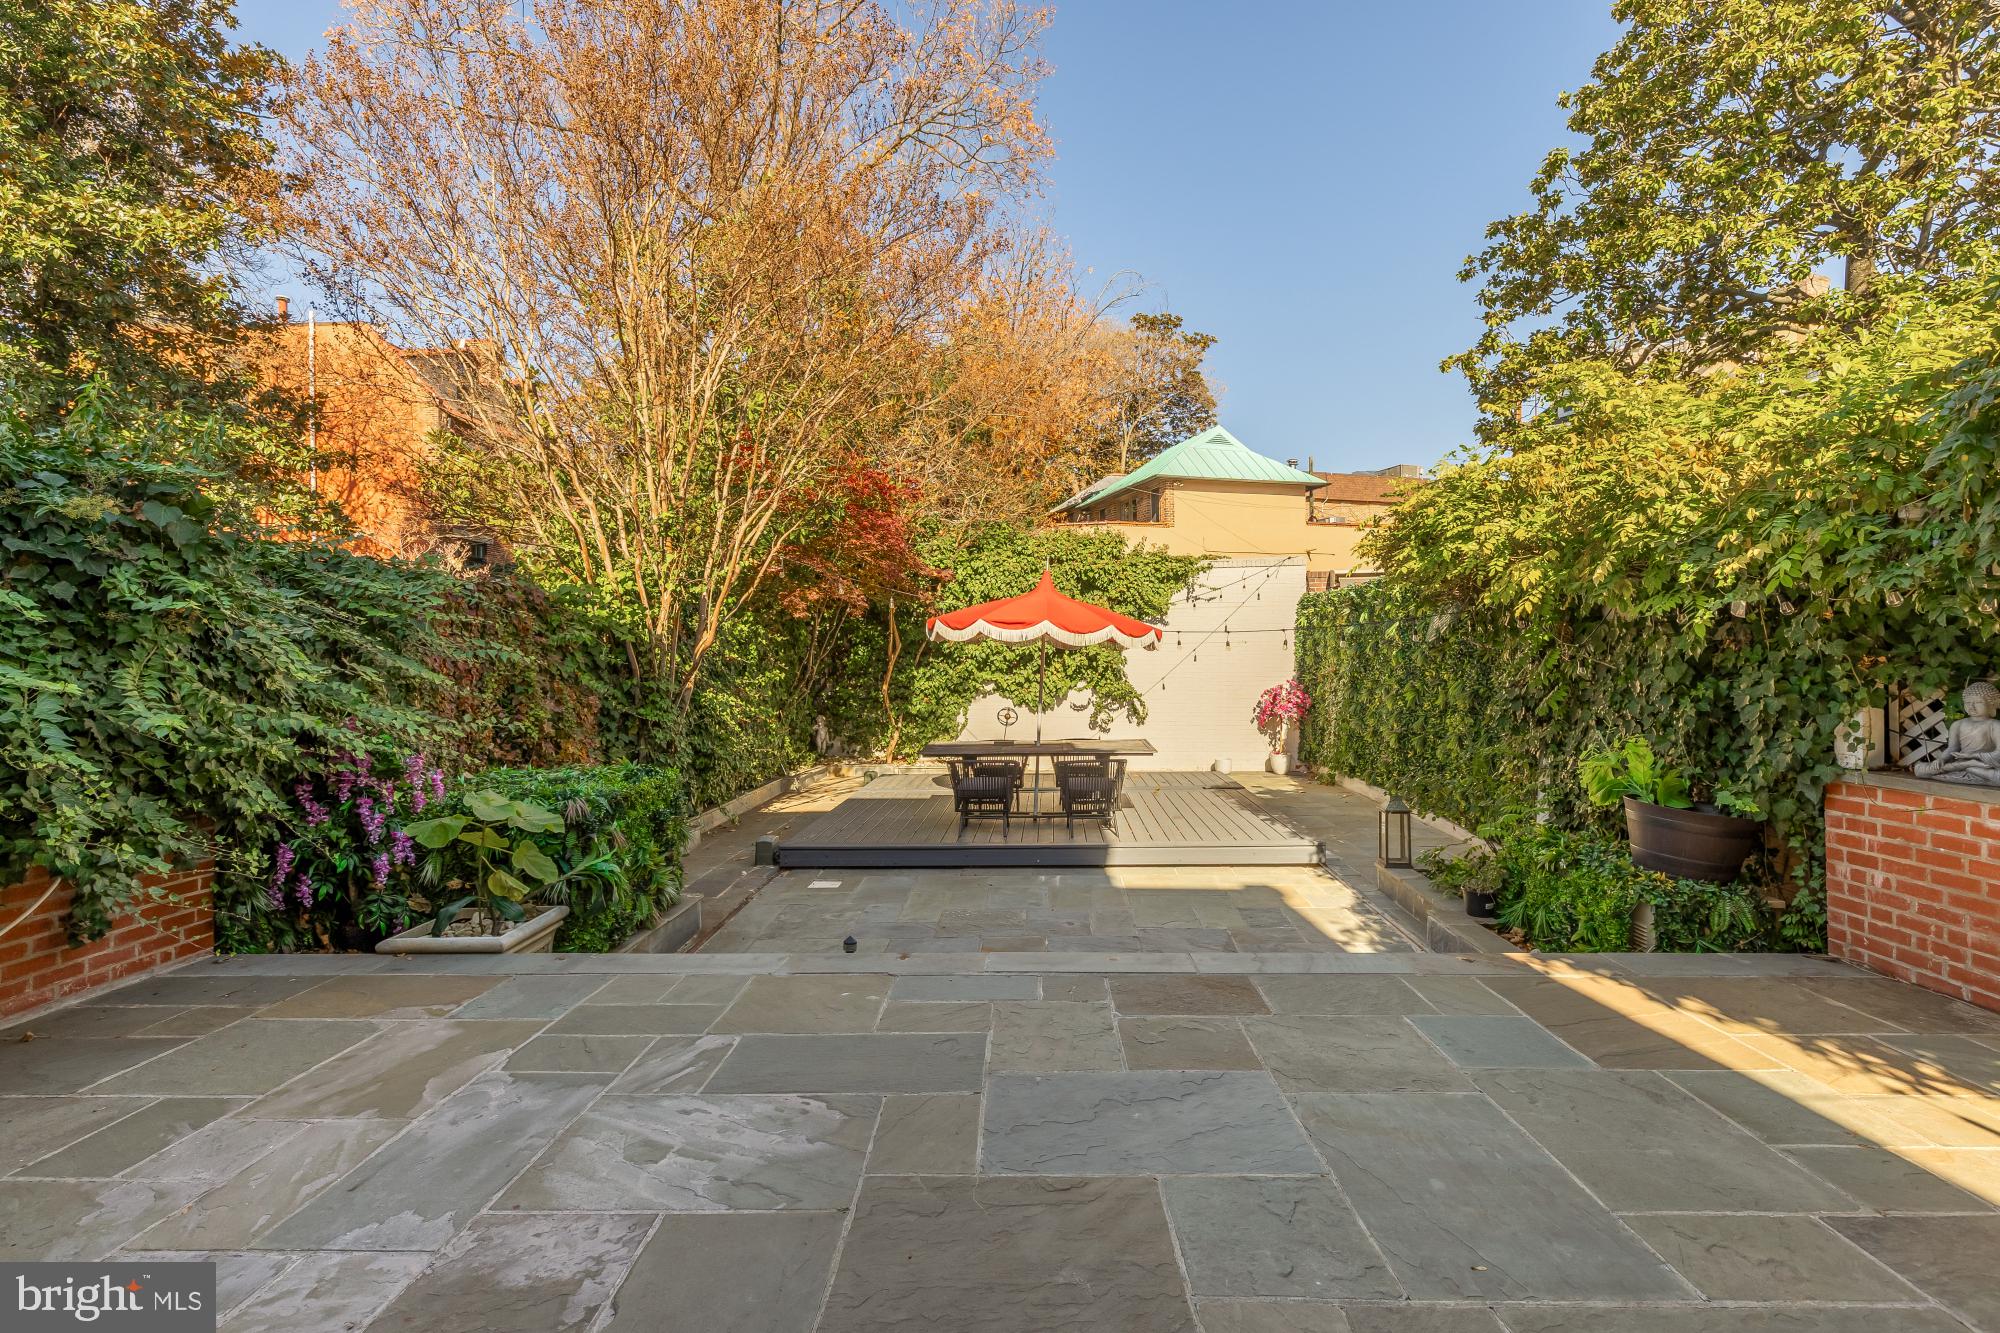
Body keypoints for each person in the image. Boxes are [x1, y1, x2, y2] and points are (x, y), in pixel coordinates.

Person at [1913, 681, 2000, 786]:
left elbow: (1998, 753)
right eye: (1967, 703)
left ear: (1992, 704)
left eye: (1978, 702)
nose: (1972, 706)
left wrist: (1973, 755)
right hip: (1962, 763)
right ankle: (1967, 765)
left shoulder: (1995, 725)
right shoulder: (1958, 724)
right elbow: (1952, 749)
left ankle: (1968, 766)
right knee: (1922, 770)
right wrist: (1942, 759)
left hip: (1985, 765)